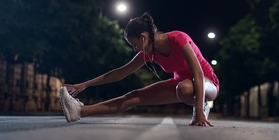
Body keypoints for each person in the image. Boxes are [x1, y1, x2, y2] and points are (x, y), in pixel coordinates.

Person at [59, 12, 219, 127]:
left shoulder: (178, 39)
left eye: (134, 45)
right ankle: (80, 111)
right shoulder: (149, 52)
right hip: (181, 84)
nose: (136, 49)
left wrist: (198, 112)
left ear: (143, 37)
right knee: (134, 96)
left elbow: (197, 74)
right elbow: (119, 73)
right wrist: (84, 85)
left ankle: (202, 105)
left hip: (207, 82)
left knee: (184, 88)